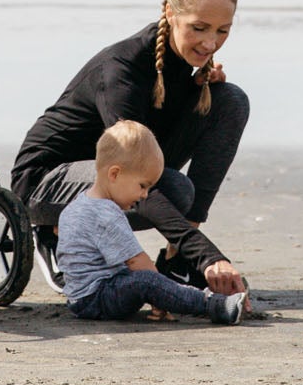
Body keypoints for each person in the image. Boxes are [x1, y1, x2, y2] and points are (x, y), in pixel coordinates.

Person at [14, 0, 249, 295]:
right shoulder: (122, 69)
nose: (210, 43)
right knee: (174, 189)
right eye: (199, 27)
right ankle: (59, 233)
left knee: (229, 100)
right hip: (48, 178)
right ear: (170, 12)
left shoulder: (184, 63)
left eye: (222, 30)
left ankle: (178, 259)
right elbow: (129, 168)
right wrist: (209, 257)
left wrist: (195, 93)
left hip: (114, 173)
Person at [57, 122, 249, 324]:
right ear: (114, 174)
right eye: (142, 185)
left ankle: (208, 293)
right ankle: (214, 305)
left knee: (148, 280)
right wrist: (161, 298)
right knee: (148, 281)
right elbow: (137, 263)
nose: (144, 195)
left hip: (79, 299)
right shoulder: (106, 213)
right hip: (98, 298)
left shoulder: (76, 205)